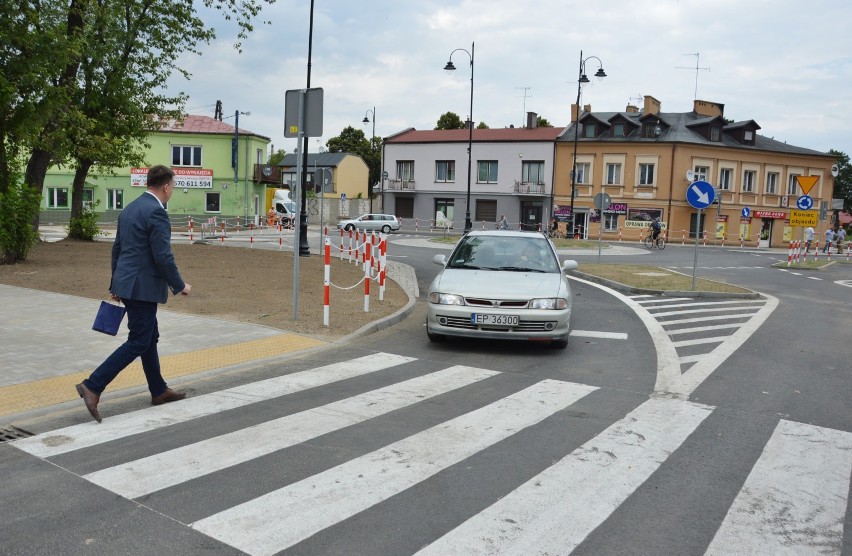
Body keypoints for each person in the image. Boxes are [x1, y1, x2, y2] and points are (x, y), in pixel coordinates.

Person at [76, 165, 192, 423]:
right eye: (172, 186)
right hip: (142, 287)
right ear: (166, 186)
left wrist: (116, 283)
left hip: (129, 284)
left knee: (149, 336)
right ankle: (93, 386)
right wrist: (179, 284)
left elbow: (117, 249)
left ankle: (159, 390)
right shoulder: (156, 213)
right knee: (140, 340)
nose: (172, 190)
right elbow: (163, 255)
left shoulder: (129, 209)